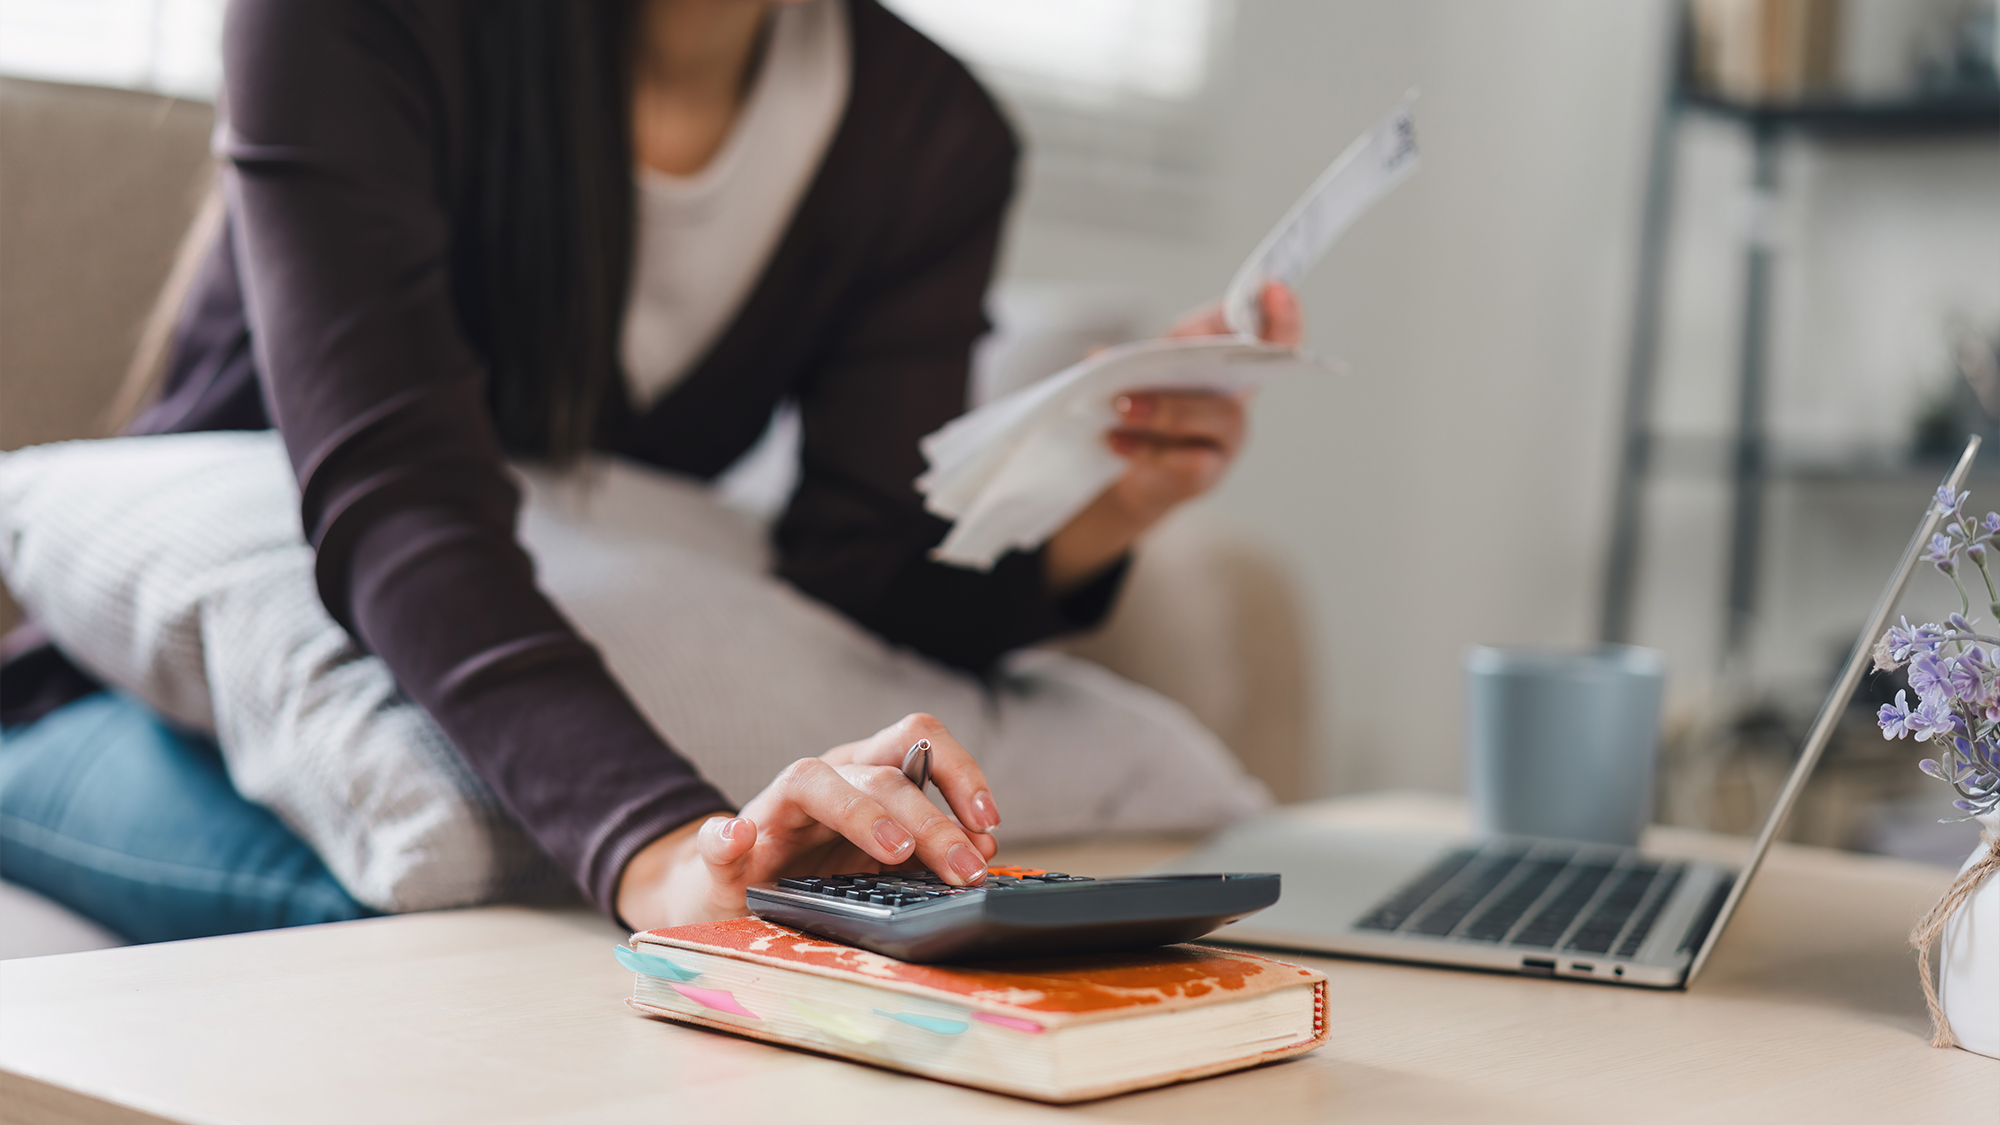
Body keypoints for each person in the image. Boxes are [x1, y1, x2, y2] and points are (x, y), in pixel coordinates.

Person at [0, 0, 1301, 942]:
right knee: (470, 897)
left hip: (488, 675)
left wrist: (1104, 507)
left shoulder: (929, 131)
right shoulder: (357, 26)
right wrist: (664, 846)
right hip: (143, 679)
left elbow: (857, 572)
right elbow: (403, 504)